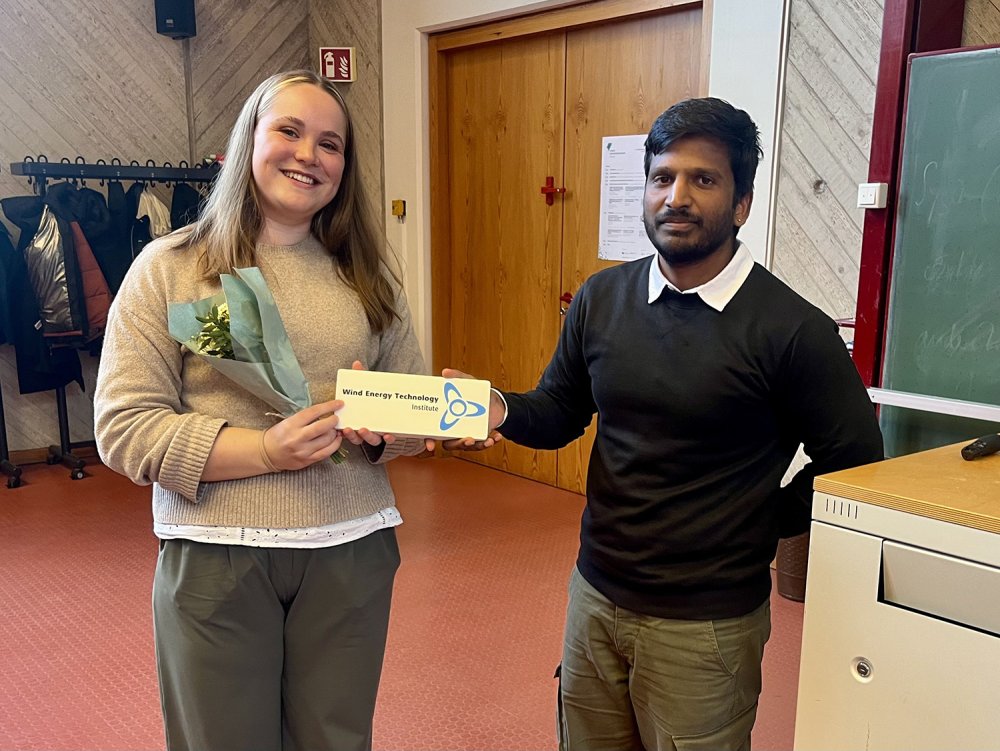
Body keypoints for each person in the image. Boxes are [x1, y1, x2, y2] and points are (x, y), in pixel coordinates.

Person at [445, 97, 883, 750]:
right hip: (594, 596)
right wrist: (498, 408)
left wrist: (768, 516)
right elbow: (560, 411)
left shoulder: (793, 331)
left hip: (705, 626)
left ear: (741, 203)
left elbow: (855, 458)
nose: (676, 196)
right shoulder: (602, 298)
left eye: (702, 179)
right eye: (662, 176)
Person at [94, 69, 430, 751]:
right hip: (218, 559)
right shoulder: (172, 268)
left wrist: (381, 431)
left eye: (330, 143)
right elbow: (124, 428)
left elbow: (411, 405)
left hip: (351, 548)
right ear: (249, 138)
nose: (309, 154)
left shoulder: (367, 274)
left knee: (336, 740)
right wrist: (265, 451)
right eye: (289, 130)